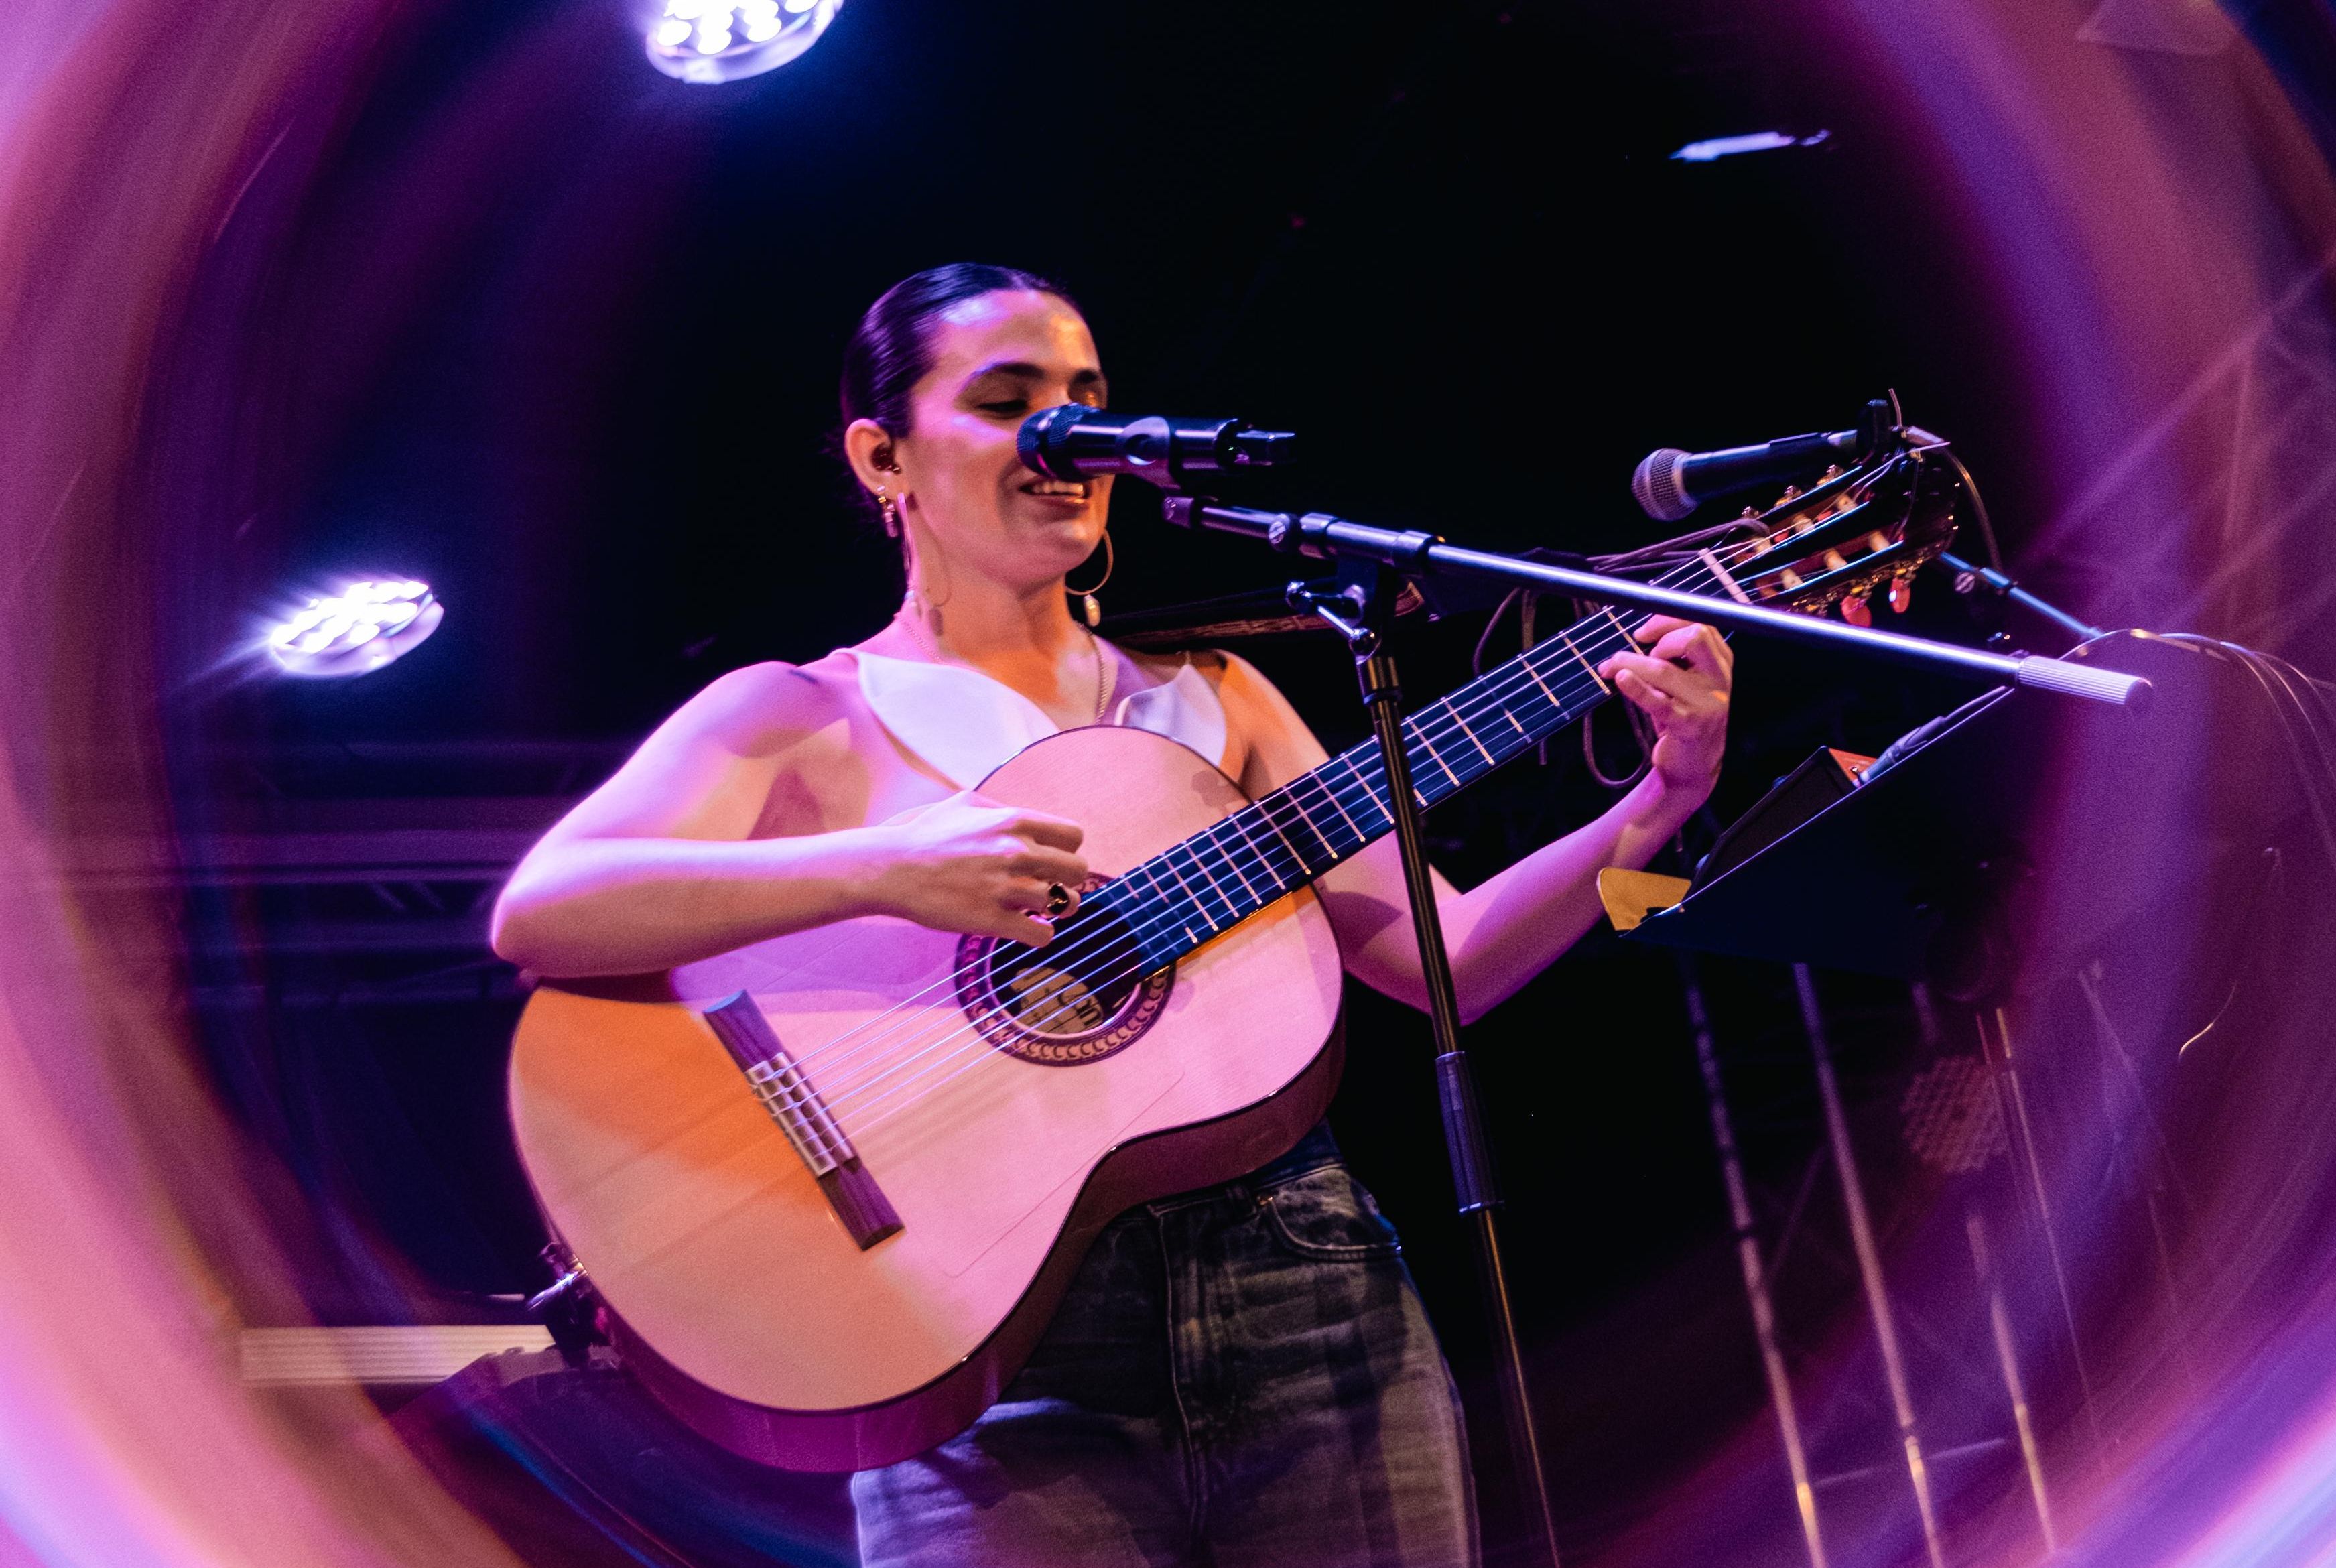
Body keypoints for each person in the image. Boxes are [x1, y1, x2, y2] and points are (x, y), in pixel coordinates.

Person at [489, 263, 1734, 1568]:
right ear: (883, 457)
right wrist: (881, 865)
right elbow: (550, 909)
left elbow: (1452, 962)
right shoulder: (800, 714)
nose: (1064, 438)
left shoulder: (1220, 700)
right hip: (983, 1339)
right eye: (1008, 401)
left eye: (1087, 400)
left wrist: (1654, 808)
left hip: (1305, 1297)